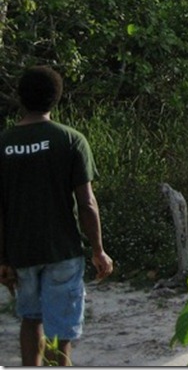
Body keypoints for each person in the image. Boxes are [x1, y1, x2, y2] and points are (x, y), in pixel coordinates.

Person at [0, 65, 114, 367]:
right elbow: (87, 203)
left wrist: (2, 257)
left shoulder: (4, 143)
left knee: (30, 319)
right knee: (60, 329)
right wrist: (98, 250)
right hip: (62, 250)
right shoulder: (71, 140)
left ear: (20, 98)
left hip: (21, 252)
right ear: (56, 98)